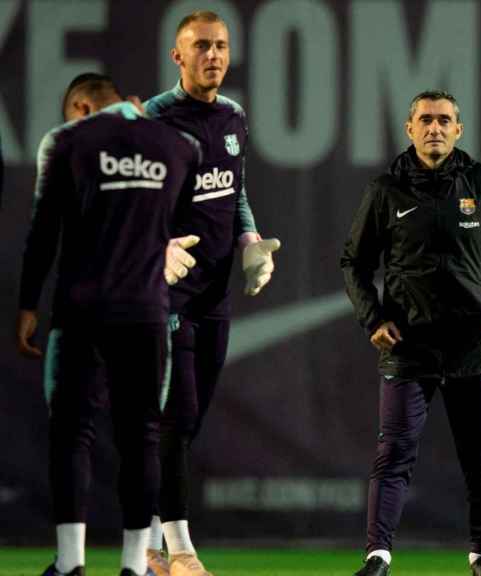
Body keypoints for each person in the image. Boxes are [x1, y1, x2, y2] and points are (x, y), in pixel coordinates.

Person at [340, 90, 481, 576]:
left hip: (474, 349)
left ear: (459, 130)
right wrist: (373, 318)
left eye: (444, 120)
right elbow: (355, 262)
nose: (435, 128)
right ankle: (378, 557)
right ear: (409, 129)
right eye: (425, 120)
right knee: (393, 457)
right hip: (409, 350)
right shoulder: (385, 191)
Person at [15, 72, 201, 576]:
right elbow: (173, 230)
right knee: (141, 434)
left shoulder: (67, 142)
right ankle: (135, 567)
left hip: (80, 312)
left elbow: (43, 230)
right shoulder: (179, 147)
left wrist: (27, 304)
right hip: (145, 312)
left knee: (71, 433)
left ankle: (71, 562)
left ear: (79, 106)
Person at [143, 10, 280, 576]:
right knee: (179, 418)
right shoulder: (155, 117)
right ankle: (181, 553)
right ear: (178, 56)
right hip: (166, 295)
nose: (214, 55)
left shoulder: (234, 116)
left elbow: (236, 188)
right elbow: (130, 200)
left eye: (221, 46)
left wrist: (248, 237)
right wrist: (157, 247)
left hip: (214, 297)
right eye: (201, 46)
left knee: (188, 425)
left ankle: (149, 543)